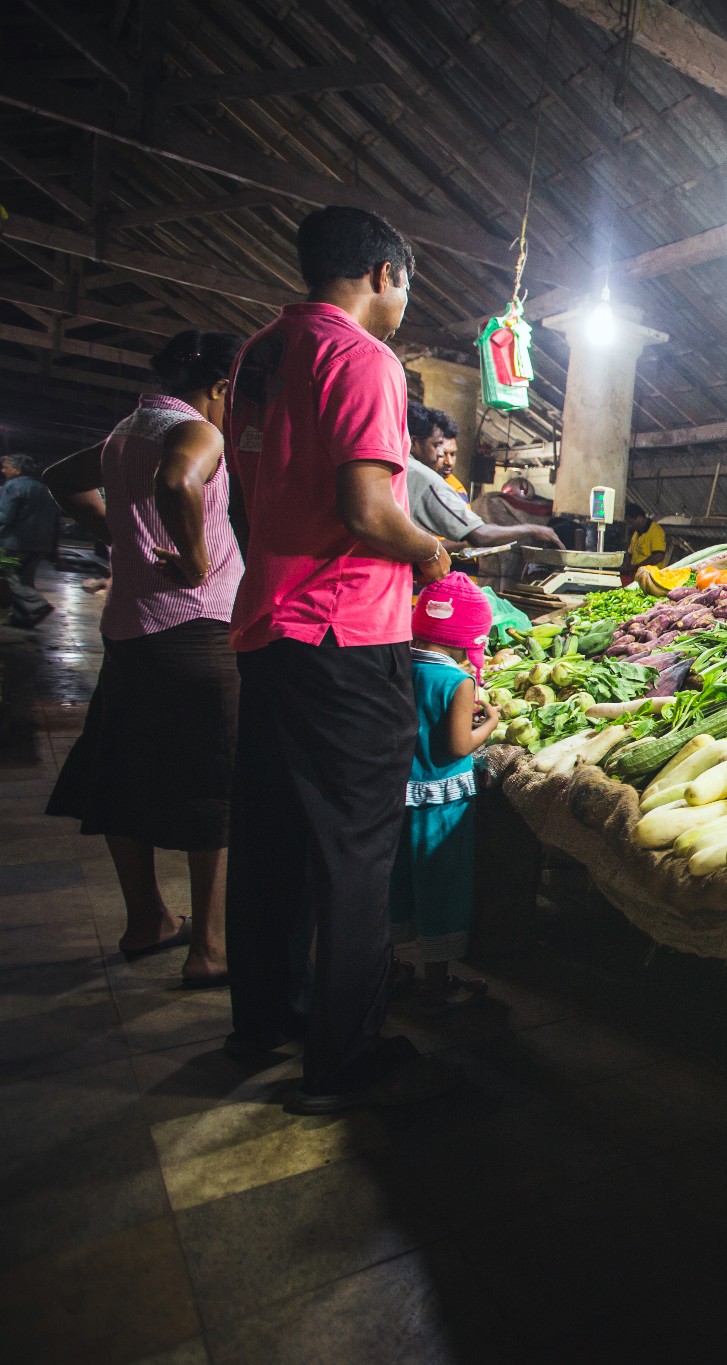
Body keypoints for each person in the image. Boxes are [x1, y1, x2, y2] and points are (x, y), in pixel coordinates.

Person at [221, 203, 461, 1114]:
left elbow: (255, 488)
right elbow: (367, 507)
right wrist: (427, 552)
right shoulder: (363, 357)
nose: (405, 304)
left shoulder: (263, 352)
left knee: (274, 835)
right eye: (407, 285)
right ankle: (345, 1057)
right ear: (383, 274)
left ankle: (265, 1018)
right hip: (343, 631)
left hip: (267, 623)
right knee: (358, 850)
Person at [44, 331, 246, 985]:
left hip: (130, 631)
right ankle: (209, 948)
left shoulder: (129, 428)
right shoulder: (196, 430)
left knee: (121, 772)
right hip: (196, 630)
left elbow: (60, 480)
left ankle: (147, 921)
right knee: (211, 783)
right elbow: (178, 479)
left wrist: (117, 537)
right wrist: (192, 558)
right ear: (219, 387)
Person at [390, 573, 497, 1013]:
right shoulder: (457, 682)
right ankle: (438, 984)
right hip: (442, 805)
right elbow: (457, 746)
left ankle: (391, 967)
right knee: (441, 887)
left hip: (397, 797)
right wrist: (488, 722)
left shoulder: (399, 663)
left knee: (396, 885)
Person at [404, 402, 561, 555]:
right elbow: (479, 535)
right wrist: (532, 529)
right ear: (414, 442)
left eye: (452, 454)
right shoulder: (423, 477)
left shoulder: (397, 470)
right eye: (436, 445)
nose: (442, 456)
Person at [0, 454, 61, 627]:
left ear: (17, 469)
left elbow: (6, 516)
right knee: (25, 579)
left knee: (10, 577)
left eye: (6, 466)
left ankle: (38, 604)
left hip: (16, 542)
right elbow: (56, 519)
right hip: (41, 543)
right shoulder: (43, 488)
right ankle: (21, 618)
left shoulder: (12, 485)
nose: (3, 470)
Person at [621, 503, 665, 580]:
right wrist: (628, 566)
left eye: (631, 522)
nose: (630, 526)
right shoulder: (636, 532)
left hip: (651, 578)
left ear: (640, 518)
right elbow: (630, 553)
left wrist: (637, 567)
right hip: (636, 575)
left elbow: (658, 556)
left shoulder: (656, 531)